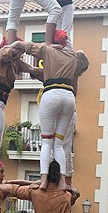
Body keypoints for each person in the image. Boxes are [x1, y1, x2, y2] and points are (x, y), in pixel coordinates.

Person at [11, 38, 88, 189]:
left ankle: (44, 179)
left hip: (51, 94)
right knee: (59, 144)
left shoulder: (47, 50)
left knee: (47, 142)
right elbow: (84, 63)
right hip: (69, 98)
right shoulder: (74, 57)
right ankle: (62, 181)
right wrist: (79, 52)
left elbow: (22, 45)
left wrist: (11, 47)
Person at [0, 46, 42, 183]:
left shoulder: (12, 65)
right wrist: (17, 48)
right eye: (20, 52)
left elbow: (29, 69)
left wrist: (41, 72)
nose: (21, 55)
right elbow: (7, 53)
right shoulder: (3, 58)